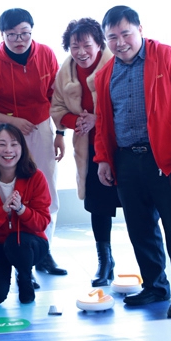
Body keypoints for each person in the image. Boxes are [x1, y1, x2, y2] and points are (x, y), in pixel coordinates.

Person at [93, 6, 171, 316]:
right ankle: (155, 286)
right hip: (126, 159)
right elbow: (103, 120)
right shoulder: (104, 74)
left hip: (167, 156)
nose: (120, 42)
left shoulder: (167, 57)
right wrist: (103, 159)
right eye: (112, 37)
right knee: (140, 228)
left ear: (140, 29)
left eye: (126, 34)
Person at [0, 8, 66, 276]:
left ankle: (43, 251)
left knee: (46, 190)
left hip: (42, 128)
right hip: (9, 135)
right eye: (12, 35)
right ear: (2, 35)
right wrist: (11, 121)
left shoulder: (46, 54)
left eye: (25, 33)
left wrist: (60, 132)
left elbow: (57, 97)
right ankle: (19, 256)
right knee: (12, 192)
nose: (19, 39)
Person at [50, 18, 121, 286]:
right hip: (89, 146)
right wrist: (76, 121)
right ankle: (105, 261)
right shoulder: (65, 71)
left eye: (86, 45)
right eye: (74, 46)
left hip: (121, 144)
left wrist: (97, 119)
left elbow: (129, 106)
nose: (81, 52)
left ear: (99, 43)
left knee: (135, 204)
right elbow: (57, 107)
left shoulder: (116, 63)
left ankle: (149, 265)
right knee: (98, 205)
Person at [0, 124, 52, 305]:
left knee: (16, 243)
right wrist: (2, 210)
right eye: (2, 144)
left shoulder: (36, 177)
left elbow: (42, 223)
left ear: (22, 148)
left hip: (29, 242)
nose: (8, 150)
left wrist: (21, 210)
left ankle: (25, 276)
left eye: (14, 144)